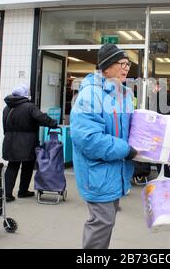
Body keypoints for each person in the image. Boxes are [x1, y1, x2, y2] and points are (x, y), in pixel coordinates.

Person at [70, 44, 137, 249]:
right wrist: (126, 149)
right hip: (98, 172)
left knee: (106, 223)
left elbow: (129, 129)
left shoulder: (123, 94)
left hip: (114, 171)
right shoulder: (90, 95)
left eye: (128, 64)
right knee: (102, 223)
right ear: (106, 67)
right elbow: (89, 139)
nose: (126, 68)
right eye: (122, 63)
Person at [2, 84, 58, 202]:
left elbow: (4, 126)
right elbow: (41, 118)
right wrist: (53, 123)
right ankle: (23, 191)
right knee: (27, 167)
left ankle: (7, 194)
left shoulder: (7, 107)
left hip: (9, 140)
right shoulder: (30, 107)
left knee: (12, 166)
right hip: (26, 142)